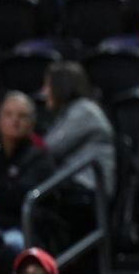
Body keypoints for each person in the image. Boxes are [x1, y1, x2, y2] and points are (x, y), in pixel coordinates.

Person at [0, 93, 55, 243]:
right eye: (8, 114)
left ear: (32, 123)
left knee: (12, 244)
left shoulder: (40, 158)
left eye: (22, 116)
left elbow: (19, 197)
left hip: (21, 228)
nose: (14, 121)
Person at [41, 61, 116, 198]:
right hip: (74, 183)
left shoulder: (84, 111)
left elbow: (48, 149)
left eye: (47, 85)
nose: (44, 92)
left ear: (61, 86)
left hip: (89, 188)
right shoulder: (69, 111)